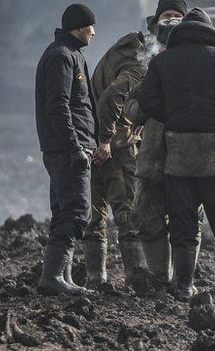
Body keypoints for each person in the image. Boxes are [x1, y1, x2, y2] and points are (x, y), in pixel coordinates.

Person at [136, 7, 215, 302]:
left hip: (177, 148)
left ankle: (184, 287)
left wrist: (174, 117)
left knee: (182, 219)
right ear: (210, 30)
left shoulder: (162, 61)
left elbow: (147, 100)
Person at [126, 0, 195, 284]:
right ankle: (158, 279)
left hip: (190, 155)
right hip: (153, 152)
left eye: (176, 16)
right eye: (165, 17)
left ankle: (184, 282)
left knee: (187, 221)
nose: (171, 21)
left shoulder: (200, 56)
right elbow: (133, 108)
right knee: (147, 216)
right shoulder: (147, 62)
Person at [34, 3, 99, 296]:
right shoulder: (61, 57)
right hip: (67, 150)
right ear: (79, 27)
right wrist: (75, 148)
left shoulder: (71, 54)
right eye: (90, 27)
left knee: (64, 210)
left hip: (70, 148)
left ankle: (64, 277)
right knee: (75, 212)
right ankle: (53, 278)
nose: (94, 33)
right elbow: (58, 107)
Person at [83, 27, 147, 289]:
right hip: (117, 146)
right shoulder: (136, 66)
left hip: (97, 140)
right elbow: (112, 97)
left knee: (97, 213)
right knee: (127, 210)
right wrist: (108, 139)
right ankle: (135, 276)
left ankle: (95, 277)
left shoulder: (116, 54)